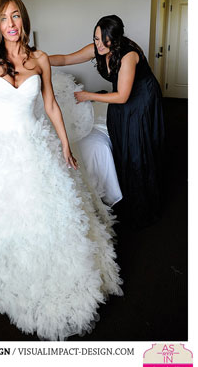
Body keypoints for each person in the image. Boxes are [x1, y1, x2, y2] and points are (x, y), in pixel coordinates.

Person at [0, 0, 122, 341]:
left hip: (33, 143)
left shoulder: (40, 59)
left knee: (46, 214)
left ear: (24, 20)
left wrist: (65, 144)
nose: (11, 24)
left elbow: (50, 104)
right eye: (4, 18)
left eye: (16, 16)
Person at [49, 15, 164, 226]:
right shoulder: (98, 48)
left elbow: (122, 96)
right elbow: (65, 59)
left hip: (141, 98)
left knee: (136, 147)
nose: (99, 44)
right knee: (121, 142)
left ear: (116, 38)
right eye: (96, 38)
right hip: (122, 97)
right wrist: (40, 59)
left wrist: (88, 95)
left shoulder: (129, 55)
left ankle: (142, 207)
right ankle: (125, 193)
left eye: (105, 40)